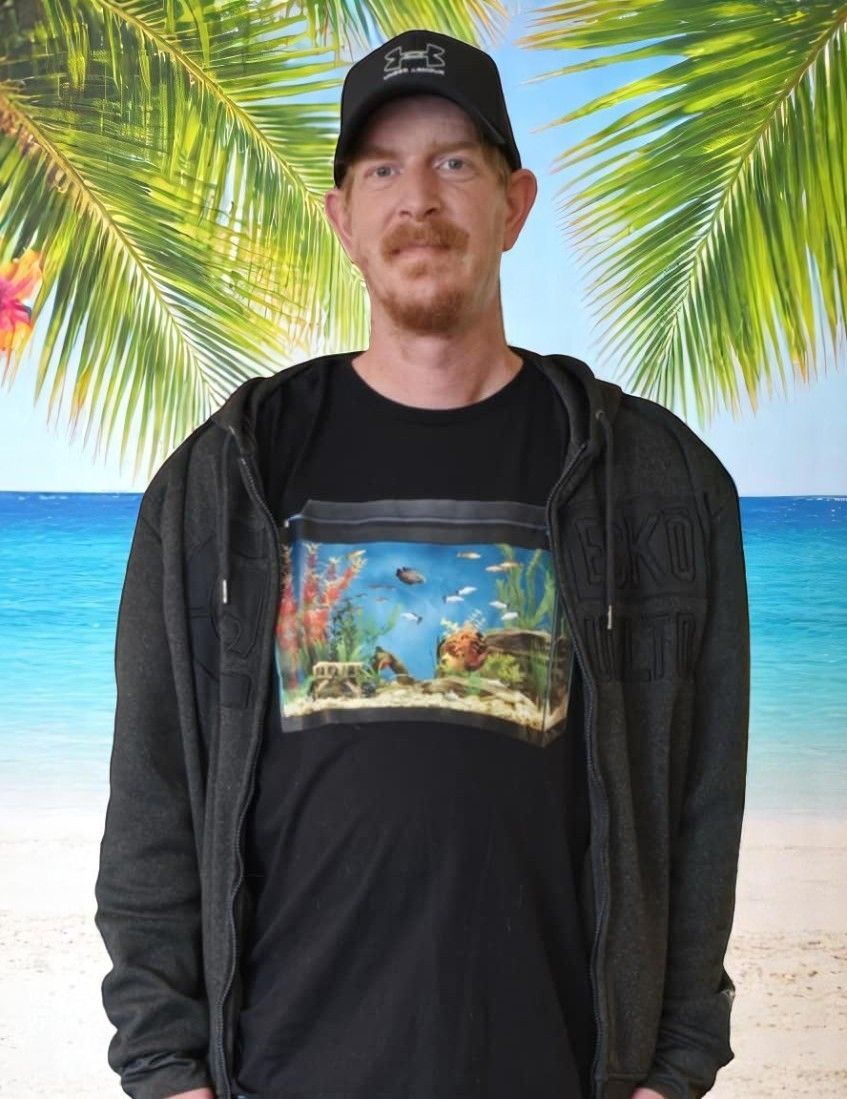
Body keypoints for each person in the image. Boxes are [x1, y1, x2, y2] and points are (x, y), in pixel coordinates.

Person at [95, 27, 749, 1099]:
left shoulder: (657, 480)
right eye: (382, 169)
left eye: (454, 162)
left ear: (514, 202)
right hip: (281, 1073)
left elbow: (700, 799)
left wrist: (672, 1066)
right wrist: (166, 1070)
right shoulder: (223, 479)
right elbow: (155, 800)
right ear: (341, 218)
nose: (419, 199)